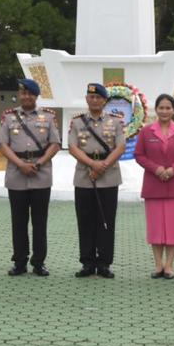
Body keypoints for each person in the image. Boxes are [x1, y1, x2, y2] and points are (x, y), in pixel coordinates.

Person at [0, 78, 61, 277]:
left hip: (40, 173)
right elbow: (3, 144)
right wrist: (20, 165)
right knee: (18, 221)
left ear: (36, 96)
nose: (25, 96)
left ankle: (39, 262)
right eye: (22, 93)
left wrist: (39, 163)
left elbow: (55, 144)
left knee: (39, 221)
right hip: (17, 174)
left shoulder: (48, 117)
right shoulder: (9, 117)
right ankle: (19, 262)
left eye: (29, 93)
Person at [68, 83, 126, 278]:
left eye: (98, 97)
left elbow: (120, 147)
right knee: (85, 221)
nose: (94, 100)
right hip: (85, 177)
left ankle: (104, 263)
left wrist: (103, 165)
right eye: (90, 97)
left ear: (104, 101)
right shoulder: (77, 122)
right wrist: (92, 165)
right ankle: (87, 262)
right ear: (86, 99)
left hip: (108, 177)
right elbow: (73, 146)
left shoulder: (116, 122)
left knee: (106, 220)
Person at [133, 93, 174, 279]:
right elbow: (139, 155)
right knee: (156, 227)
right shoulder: (146, 131)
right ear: (156, 110)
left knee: (173, 227)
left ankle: (169, 265)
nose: (165, 111)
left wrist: (173, 169)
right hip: (154, 184)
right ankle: (158, 264)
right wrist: (156, 168)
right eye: (161, 108)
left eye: (168, 108)